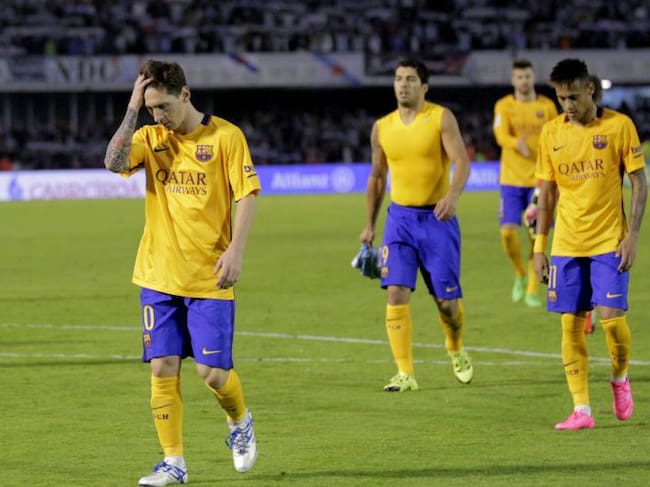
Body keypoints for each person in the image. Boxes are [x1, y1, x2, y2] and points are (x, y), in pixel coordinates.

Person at [104, 60, 260, 485]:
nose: (159, 116)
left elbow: (247, 194)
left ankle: (240, 420)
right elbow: (113, 162)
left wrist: (236, 250)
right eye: (152, 108)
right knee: (162, 367)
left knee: (213, 374)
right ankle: (174, 462)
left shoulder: (226, 136)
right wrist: (133, 108)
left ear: (186, 95)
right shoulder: (149, 137)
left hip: (210, 275)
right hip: (157, 273)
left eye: (164, 107)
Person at [533, 58, 647, 430]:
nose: (567, 105)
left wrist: (632, 235)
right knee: (570, 324)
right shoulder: (551, 133)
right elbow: (547, 195)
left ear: (590, 90)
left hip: (609, 241)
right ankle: (581, 409)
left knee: (612, 322)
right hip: (567, 244)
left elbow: (639, 183)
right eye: (561, 98)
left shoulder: (619, 126)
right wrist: (539, 247)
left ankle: (620, 377)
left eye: (573, 97)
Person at [359, 58, 473, 392]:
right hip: (400, 221)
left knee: (447, 304)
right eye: (398, 78)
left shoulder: (440, 118)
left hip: (438, 220)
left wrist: (452, 196)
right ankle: (405, 373)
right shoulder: (382, 127)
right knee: (396, 290)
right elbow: (377, 177)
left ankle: (455, 347)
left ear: (424, 86)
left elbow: (462, 161)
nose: (403, 85)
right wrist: (369, 224)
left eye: (410, 79)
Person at [493, 60, 558, 307]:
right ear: (513, 80)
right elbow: (500, 134)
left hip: (539, 182)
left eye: (527, 76)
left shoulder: (547, 106)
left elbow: (557, 135)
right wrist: (515, 143)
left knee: (536, 236)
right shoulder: (503, 106)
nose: (523, 81)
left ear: (533, 77)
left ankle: (532, 290)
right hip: (510, 180)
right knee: (507, 232)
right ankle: (520, 273)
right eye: (519, 77)